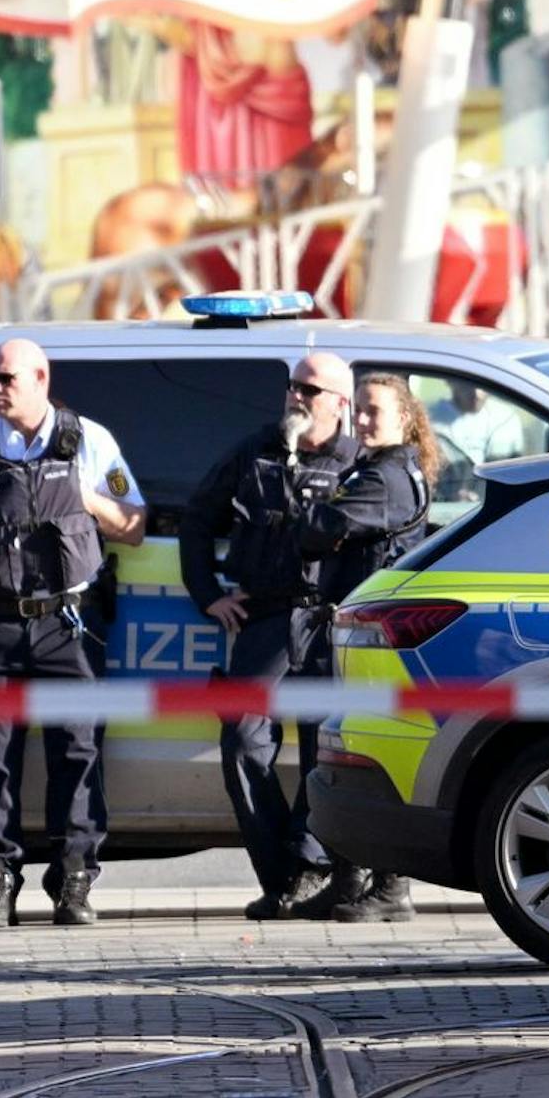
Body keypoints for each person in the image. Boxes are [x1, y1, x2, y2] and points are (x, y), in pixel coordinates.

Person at [0, 338, 146, 929]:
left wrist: (84, 499)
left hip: (68, 625)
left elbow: (135, 524)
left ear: (41, 378)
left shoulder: (90, 440)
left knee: (77, 754)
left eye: (7, 377)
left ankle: (73, 883)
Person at [180, 350, 360, 918]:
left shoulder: (357, 463)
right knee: (241, 741)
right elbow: (196, 519)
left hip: (328, 620)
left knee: (321, 750)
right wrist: (208, 593)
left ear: (340, 403)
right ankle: (279, 870)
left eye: (311, 389)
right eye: (293, 387)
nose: (297, 398)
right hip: (264, 617)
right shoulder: (256, 452)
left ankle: (309, 865)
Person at [288, 373, 437, 922]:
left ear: (405, 419)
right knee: (343, 756)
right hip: (359, 634)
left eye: (375, 411)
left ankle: (391, 887)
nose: (363, 421)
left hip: (375, 644)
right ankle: (349, 880)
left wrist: (309, 514)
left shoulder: (388, 478)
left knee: (370, 757)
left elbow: (317, 527)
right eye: (362, 411)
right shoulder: (374, 469)